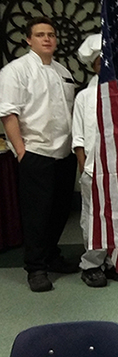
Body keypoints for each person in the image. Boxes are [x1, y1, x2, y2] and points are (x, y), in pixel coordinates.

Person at [0, 16, 78, 292]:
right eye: (41, 34)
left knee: (60, 210)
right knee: (37, 214)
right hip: (35, 152)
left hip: (64, 152)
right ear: (28, 39)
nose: (47, 39)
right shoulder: (15, 71)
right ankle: (35, 267)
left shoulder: (62, 70)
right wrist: (21, 152)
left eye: (51, 35)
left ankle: (51, 255)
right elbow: (9, 113)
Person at [72, 34, 118, 288]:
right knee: (93, 218)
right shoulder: (84, 96)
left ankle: (113, 262)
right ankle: (91, 264)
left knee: (117, 217)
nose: (104, 65)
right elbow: (79, 137)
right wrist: (85, 166)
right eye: (99, 61)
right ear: (93, 65)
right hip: (94, 168)